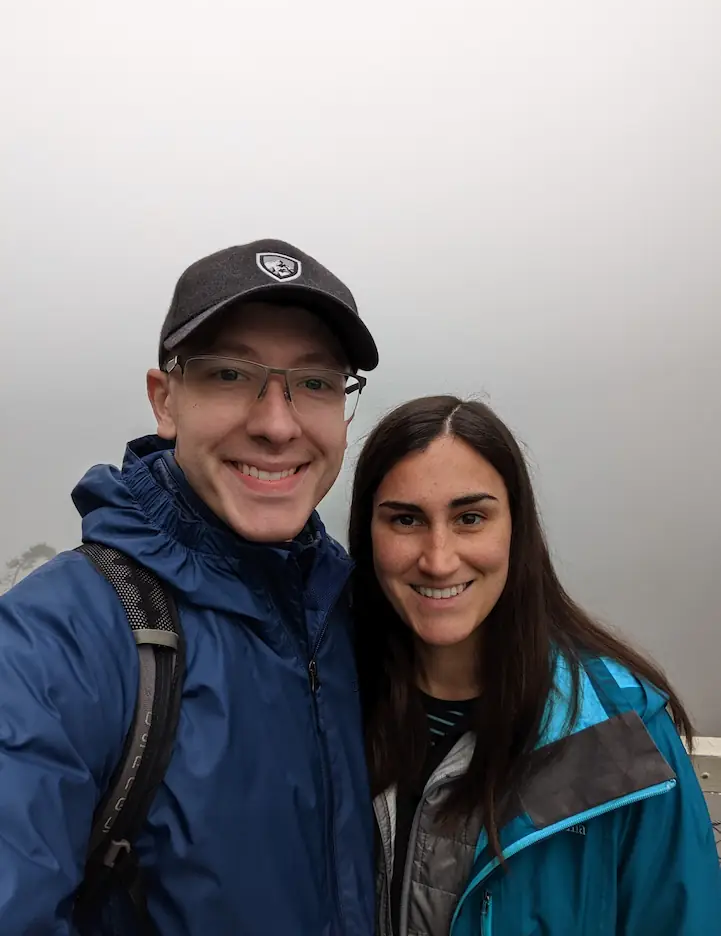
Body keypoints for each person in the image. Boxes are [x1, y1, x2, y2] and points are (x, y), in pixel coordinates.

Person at [0, 239, 379, 935]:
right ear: (164, 399)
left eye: (315, 381)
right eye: (230, 375)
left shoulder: (355, 616)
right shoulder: (53, 644)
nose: (275, 422)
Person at [349, 395, 721, 936]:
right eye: (405, 519)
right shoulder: (326, 698)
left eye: (470, 517)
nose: (438, 558)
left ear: (515, 529)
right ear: (368, 534)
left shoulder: (623, 735)